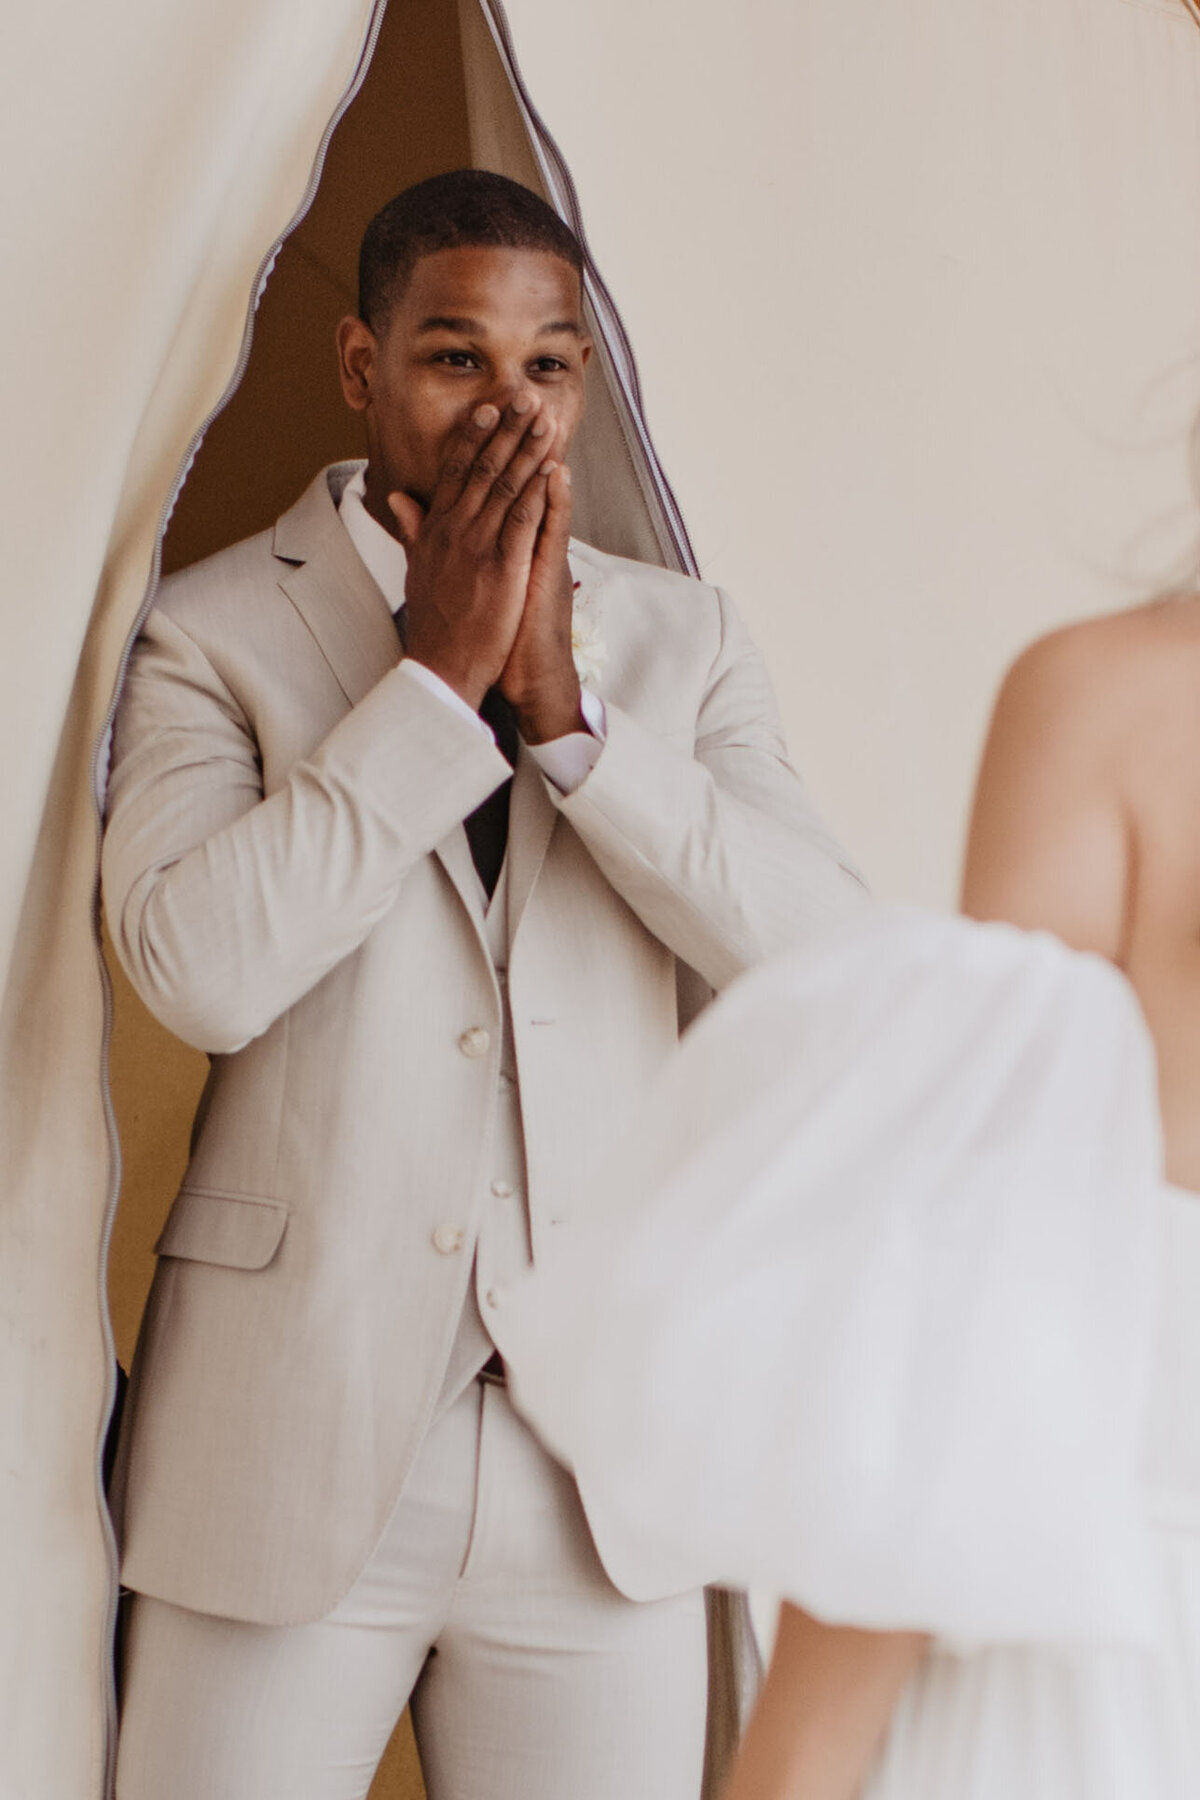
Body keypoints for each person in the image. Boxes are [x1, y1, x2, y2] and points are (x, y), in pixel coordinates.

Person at [102, 168, 864, 1800]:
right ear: (363, 367)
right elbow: (200, 975)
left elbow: (827, 967)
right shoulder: (211, 628)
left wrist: (575, 723)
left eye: (550, 364)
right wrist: (438, 689)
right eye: (458, 358)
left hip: (598, 1481)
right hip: (280, 1449)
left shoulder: (689, 645)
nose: (511, 407)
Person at [504, 596, 1200, 1799]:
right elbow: (978, 1297)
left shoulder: (1119, 704)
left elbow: (975, 1313)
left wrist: (792, 1770)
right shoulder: (1128, 704)